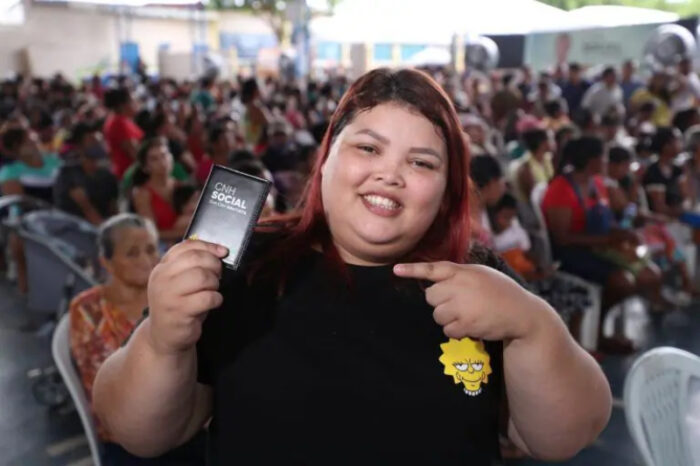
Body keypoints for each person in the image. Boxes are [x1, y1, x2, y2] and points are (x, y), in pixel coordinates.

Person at [93, 68, 611, 465]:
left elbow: (564, 436)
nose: (390, 174)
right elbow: (136, 431)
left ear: (445, 190)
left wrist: (532, 325)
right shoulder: (242, 264)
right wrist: (162, 341)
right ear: (326, 160)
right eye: (368, 148)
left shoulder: (480, 280)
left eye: (421, 162)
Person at [69, 214, 205, 465]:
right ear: (106, 262)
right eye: (132, 253)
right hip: (125, 437)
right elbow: (102, 395)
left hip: (185, 424)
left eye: (151, 249)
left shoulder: (175, 300)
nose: (146, 260)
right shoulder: (89, 309)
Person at [541, 136, 662, 352]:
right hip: (571, 254)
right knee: (622, 283)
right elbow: (562, 238)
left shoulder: (597, 183)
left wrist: (622, 233)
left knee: (648, 274)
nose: (607, 161)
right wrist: (607, 240)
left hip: (598, 247)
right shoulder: (561, 189)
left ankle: (601, 327)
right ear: (592, 161)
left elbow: (607, 220)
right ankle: (598, 334)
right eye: (604, 157)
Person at [54, 122, 118, 224]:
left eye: (98, 140)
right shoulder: (69, 176)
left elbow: (113, 209)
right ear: (79, 147)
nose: (97, 143)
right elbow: (88, 210)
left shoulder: (106, 175)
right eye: (92, 140)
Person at [131, 138, 184, 242]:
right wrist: (185, 233)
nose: (162, 162)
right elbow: (151, 232)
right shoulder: (142, 193)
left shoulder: (180, 185)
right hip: (161, 245)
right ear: (145, 167)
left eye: (164, 155)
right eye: (154, 159)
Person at [103, 87, 143, 179]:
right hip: (130, 175)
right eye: (133, 101)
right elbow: (134, 153)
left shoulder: (123, 120)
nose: (137, 104)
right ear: (123, 105)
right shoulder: (119, 123)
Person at [509, 128, 554, 205]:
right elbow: (532, 198)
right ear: (542, 143)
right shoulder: (525, 167)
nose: (552, 142)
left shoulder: (548, 158)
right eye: (549, 140)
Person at [470, 155, 507, 246]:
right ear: (491, 182)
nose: (502, 189)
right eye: (499, 182)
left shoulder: (483, 210)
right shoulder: (470, 224)